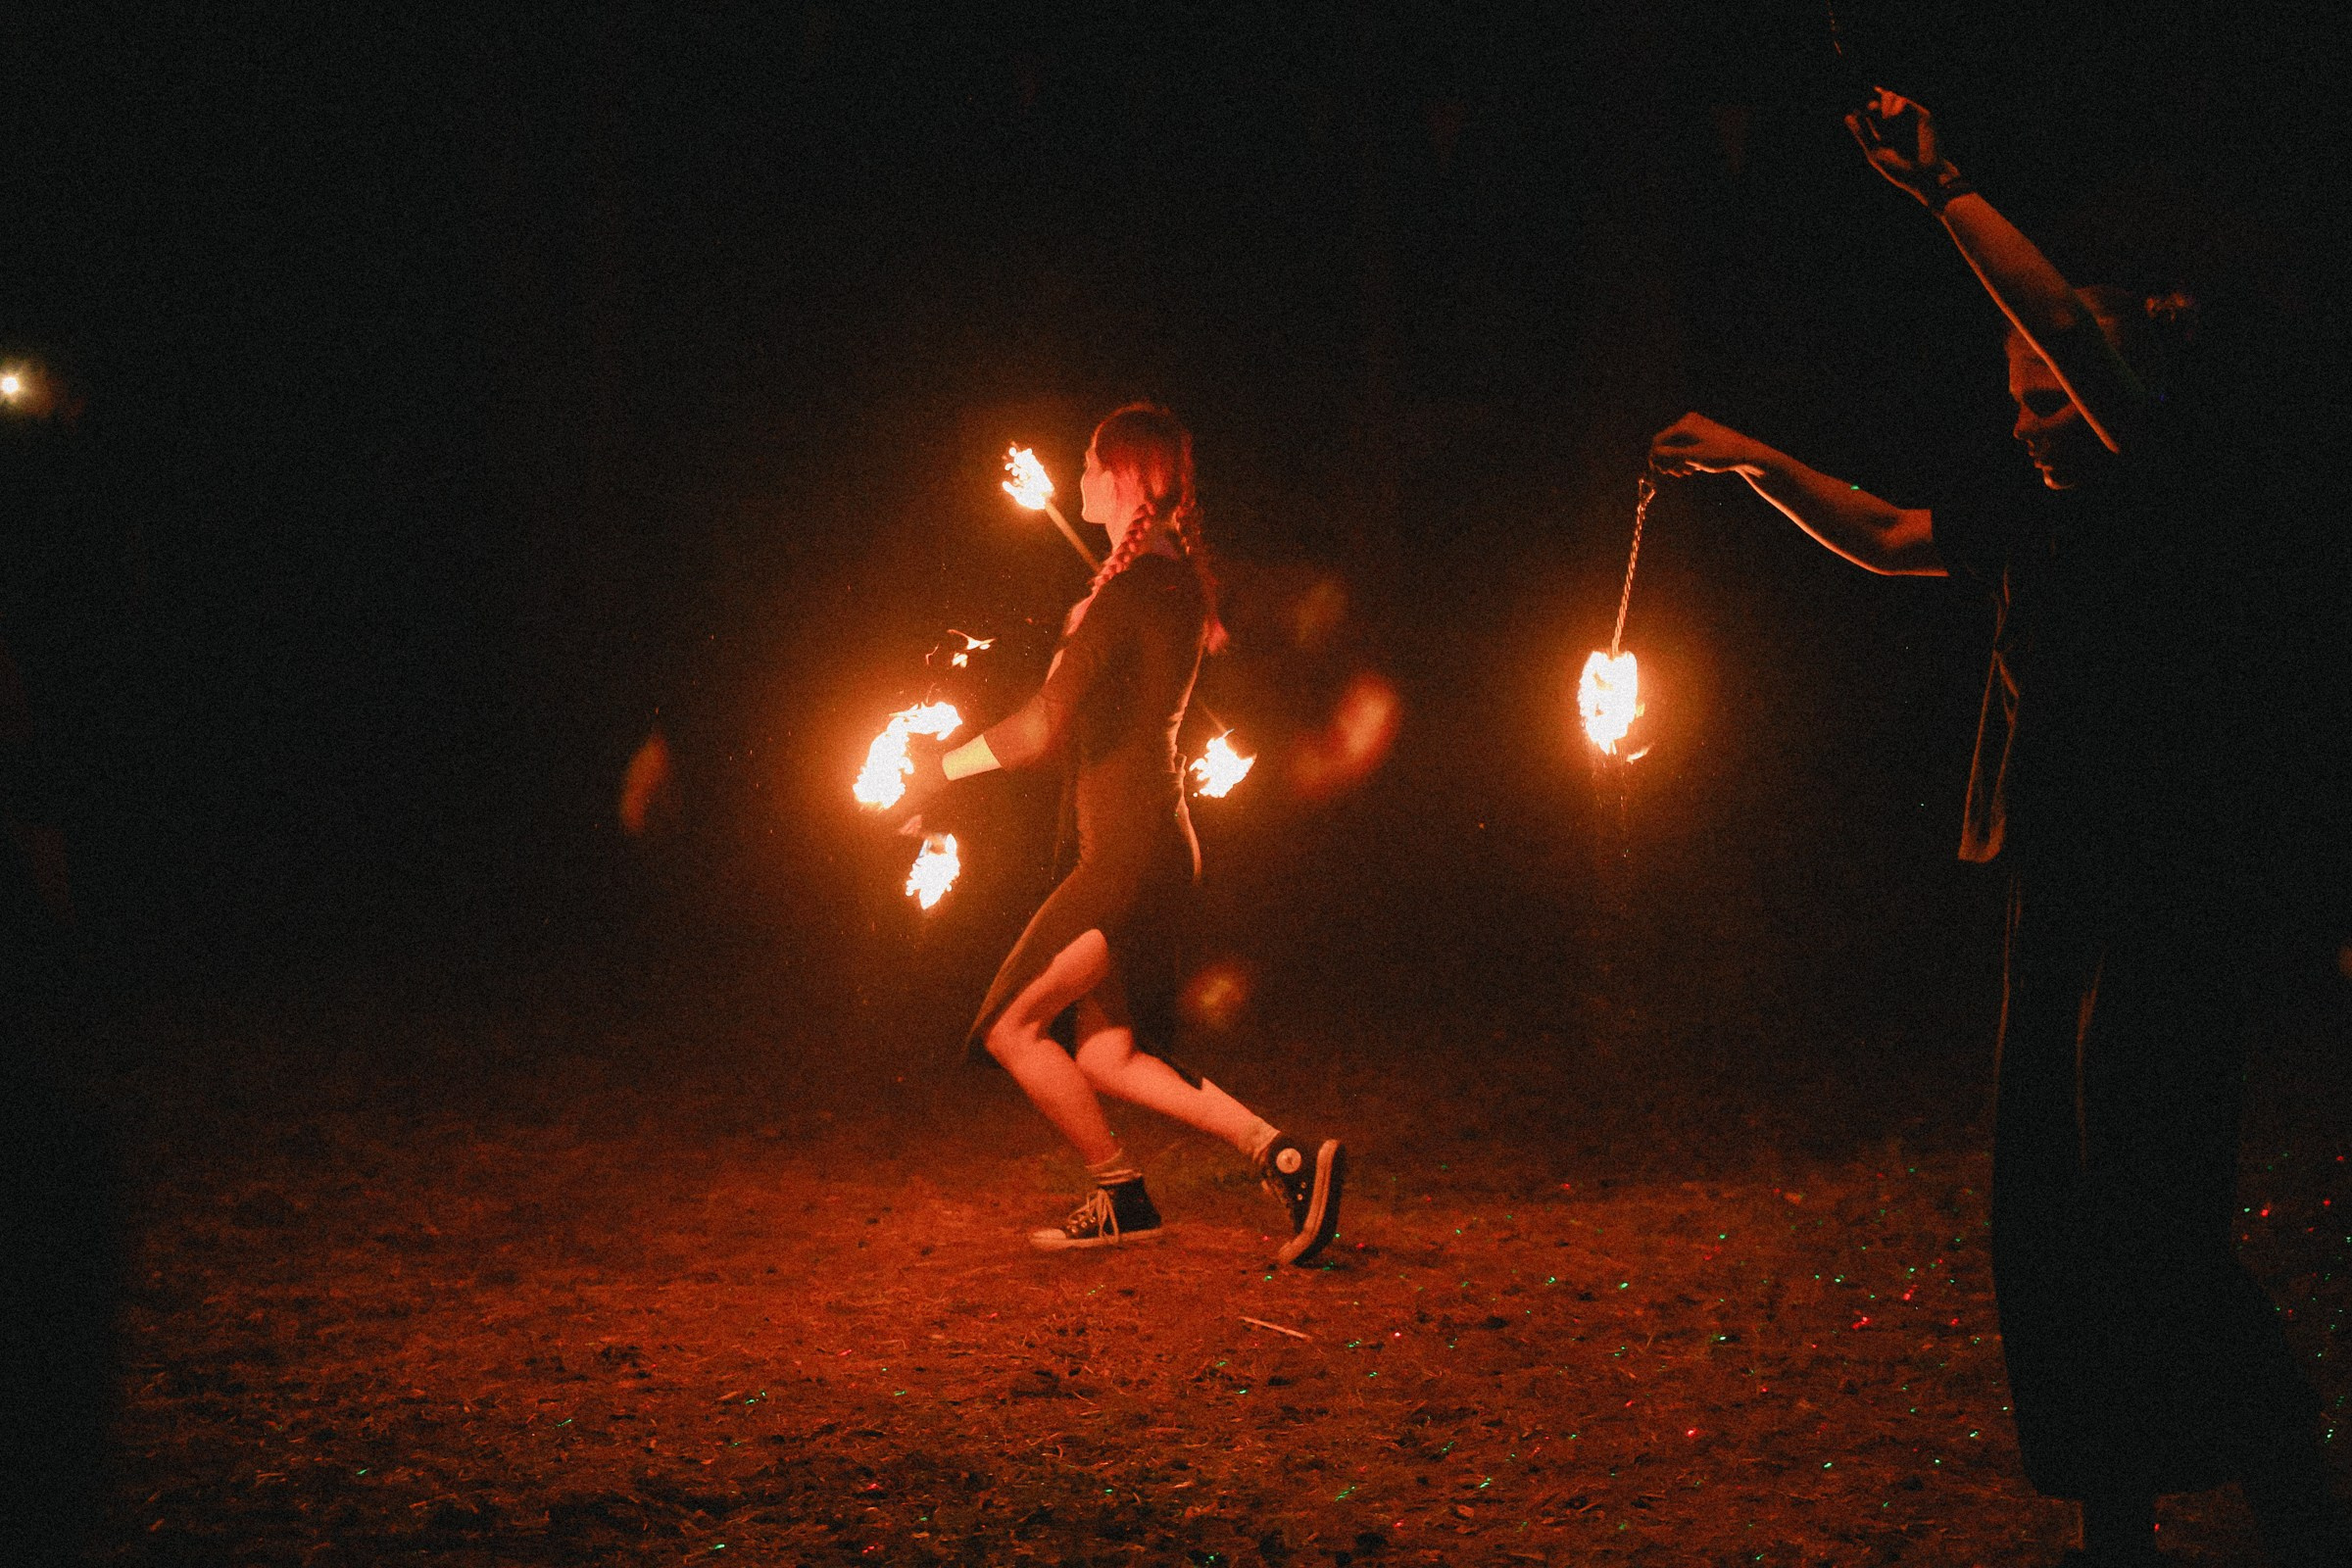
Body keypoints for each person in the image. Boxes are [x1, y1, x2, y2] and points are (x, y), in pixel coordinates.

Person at [1647, 90, 2347, 1568]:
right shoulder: (2035, 510)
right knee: (2054, 1212)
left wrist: (1941, 186)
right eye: (2015, 400)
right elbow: (1897, 538)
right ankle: (2120, 1518)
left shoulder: (2174, 486)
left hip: (2174, 897)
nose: (2031, 418)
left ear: (2110, 386)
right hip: (2059, 897)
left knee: (2152, 1204)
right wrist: (1753, 463)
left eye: (2052, 396)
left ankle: (2287, 1482)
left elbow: (2084, 340)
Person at [892, 403, 1345, 1263]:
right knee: (1106, 1054)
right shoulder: (1166, 585)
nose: (1078, 481)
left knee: (1010, 1027)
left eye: (1093, 466)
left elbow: (1037, 733)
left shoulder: (1138, 591)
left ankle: (1119, 1191)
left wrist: (935, 773)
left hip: (1124, 857)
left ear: (1130, 477)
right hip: (1157, 845)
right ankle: (1285, 1158)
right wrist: (1083, 636)